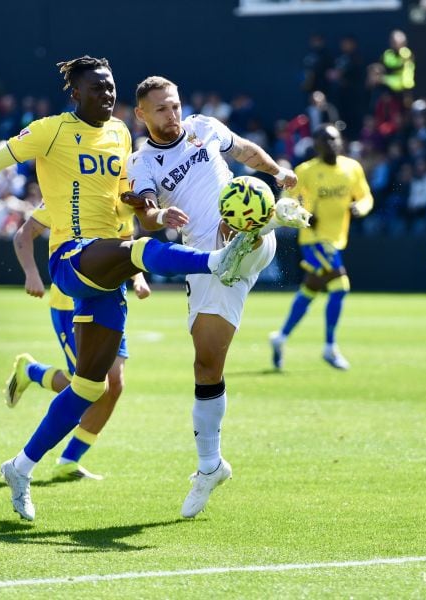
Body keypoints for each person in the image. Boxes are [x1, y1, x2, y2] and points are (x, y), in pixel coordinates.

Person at [0, 56, 259, 521]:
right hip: (71, 256)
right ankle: (217, 260)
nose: (107, 94)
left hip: (105, 269)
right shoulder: (49, 131)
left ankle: (20, 467)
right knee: (138, 252)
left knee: (91, 387)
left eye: (111, 87)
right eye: (97, 88)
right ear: (75, 93)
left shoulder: (121, 134)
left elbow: (124, 201)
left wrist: (148, 211)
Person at [124, 76, 309, 518]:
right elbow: (146, 213)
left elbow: (243, 150)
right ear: (142, 115)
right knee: (206, 365)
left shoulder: (204, 127)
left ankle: (261, 220)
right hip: (205, 263)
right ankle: (210, 466)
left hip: (241, 244)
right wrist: (158, 215)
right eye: (162, 109)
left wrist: (276, 172)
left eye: (175, 106)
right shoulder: (141, 162)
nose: (172, 115)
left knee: (244, 209)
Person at [6, 199, 150, 480]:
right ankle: (31, 371)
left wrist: (138, 278)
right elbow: (24, 234)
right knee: (89, 386)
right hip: (69, 305)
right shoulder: (68, 191)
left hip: (109, 300)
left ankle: (69, 459)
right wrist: (31, 274)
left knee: (115, 383)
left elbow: (126, 242)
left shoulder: (119, 194)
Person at [270, 124, 374, 371]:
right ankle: (329, 347)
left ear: (341, 141)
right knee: (340, 286)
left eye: (333, 139)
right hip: (314, 240)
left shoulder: (352, 168)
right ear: (315, 145)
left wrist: (361, 208)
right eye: (324, 140)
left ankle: (280, 337)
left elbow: (366, 196)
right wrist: (303, 214)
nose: (330, 143)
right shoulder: (305, 171)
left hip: (337, 240)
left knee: (310, 290)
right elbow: (286, 201)